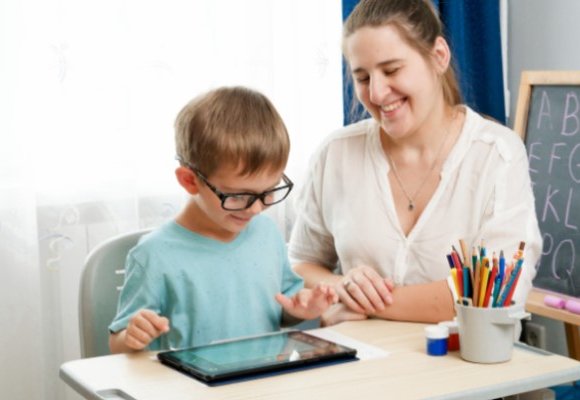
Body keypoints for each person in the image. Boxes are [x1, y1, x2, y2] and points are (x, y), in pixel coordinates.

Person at [288, 0, 542, 326]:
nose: (377, 93)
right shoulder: (335, 154)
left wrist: (366, 302)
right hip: (363, 369)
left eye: (392, 70)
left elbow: (496, 292)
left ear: (438, 56)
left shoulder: (498, 154)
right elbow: (299, 263)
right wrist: (343, 285)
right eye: (363, 77)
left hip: (466, 369)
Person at [109, 86, 337, 353]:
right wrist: (133, 337)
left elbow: (283, 308)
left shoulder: (266, 233)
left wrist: (301, 309)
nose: (255, 209)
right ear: (190, 180)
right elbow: (118, 344)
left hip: (263, 384)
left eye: (268, 192)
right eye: (239, 196)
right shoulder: (154, 255)